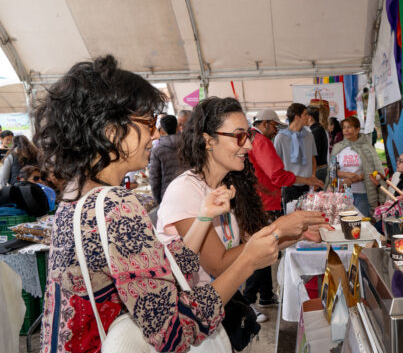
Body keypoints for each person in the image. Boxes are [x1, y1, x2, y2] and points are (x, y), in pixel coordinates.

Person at [36, 55, 281, 352]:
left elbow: (150, 274)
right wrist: (248, 262)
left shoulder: (76, 194)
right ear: (112, 130)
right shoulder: (116, 205)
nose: (155, 133)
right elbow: (173, 330)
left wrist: (203, 219)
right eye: (148, 122)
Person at [157, 98, 327, 324]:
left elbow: (249, 244)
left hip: (216, 313)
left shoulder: (228, 186)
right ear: (208, 140)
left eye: (248, 136)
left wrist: (297, 233)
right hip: (189, 319)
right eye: (239, 136)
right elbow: (218, 264)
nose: (248, 145)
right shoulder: (186, 191)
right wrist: (279, 229)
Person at [245, 109, 325, 312]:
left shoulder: (254, 138)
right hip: (263, 203)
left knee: (266, 249)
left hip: (260, 200)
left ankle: (265, 296)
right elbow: (277, 175)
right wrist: (306, 179)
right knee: (263, 250)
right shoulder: (261, 141)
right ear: (264, 124)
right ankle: (247, 301)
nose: (275, 131)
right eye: (274, 126)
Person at [326, 116, 385, 216]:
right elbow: (332, 171)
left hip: (362, 192)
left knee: (361, 223)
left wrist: (357, 178)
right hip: (342, 191)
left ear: (358, 129)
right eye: (344, 127)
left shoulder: (366, 148)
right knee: (343, 221)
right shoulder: (338, 147)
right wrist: (347, 175)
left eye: (349, 127)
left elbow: (372, 171)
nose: (346, 130)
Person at [274, 103, 320, 206]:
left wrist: (313, 177)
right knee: (292, 218)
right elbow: (276, 165)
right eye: (305, 114)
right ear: (297, 117)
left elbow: (312, 159)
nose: (308, 117)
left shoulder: (309, 136)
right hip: (289, 186)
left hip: (307, 186)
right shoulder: (280, 138)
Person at [149, 114, 184, 203]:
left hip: (169, 195)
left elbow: (154, 178)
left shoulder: (157, 150)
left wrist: (158, 200)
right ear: (177, 128)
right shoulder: (188, 144)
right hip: (190, 189)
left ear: (162, 130)